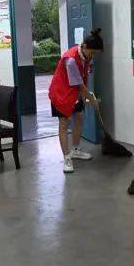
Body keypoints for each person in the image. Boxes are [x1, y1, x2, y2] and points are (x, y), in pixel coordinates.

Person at [48, 28, 103, 173]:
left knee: (79, 117)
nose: (92, 56)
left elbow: (82, 80)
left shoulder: (85, 57)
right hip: (60, 93)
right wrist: (92, 99)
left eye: (94, 54)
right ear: (84, 47)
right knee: (64, 123)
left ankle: (76, 150)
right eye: (91, 52)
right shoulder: (71, 59)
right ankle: (67, 158)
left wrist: (86, 96)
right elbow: (79, 84)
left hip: (74, 93)